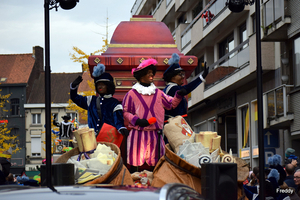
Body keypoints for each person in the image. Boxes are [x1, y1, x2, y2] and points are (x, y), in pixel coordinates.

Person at [122, 58, 187, 172]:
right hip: (138, 133)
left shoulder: (158, 93)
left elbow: (171, 104)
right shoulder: (131, 94)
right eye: (148, 72)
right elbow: (125, 112)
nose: (151, 74)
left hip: (155, 134)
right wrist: (136, 120)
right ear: (141, 75)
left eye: (152, 72)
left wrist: (178, 95)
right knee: (135, 166)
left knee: (156, 165)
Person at [70, 64, 129, 147]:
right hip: (91, 140)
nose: (100, 87)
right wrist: (74, 87)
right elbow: (75, 98)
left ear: (108, 86)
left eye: (103, 84)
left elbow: (118, 120)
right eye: (98, 84)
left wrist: (121, 128)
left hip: (108, 140)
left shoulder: (115, 103)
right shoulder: (91, 100)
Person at [163, 53, 209, 121]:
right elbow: (187, 88)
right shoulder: (172, 88)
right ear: (172, 77)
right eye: (180, 74)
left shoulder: (171, 88)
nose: (183, 77)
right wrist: (201, 77)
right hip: (174, 124)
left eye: (182, 74)